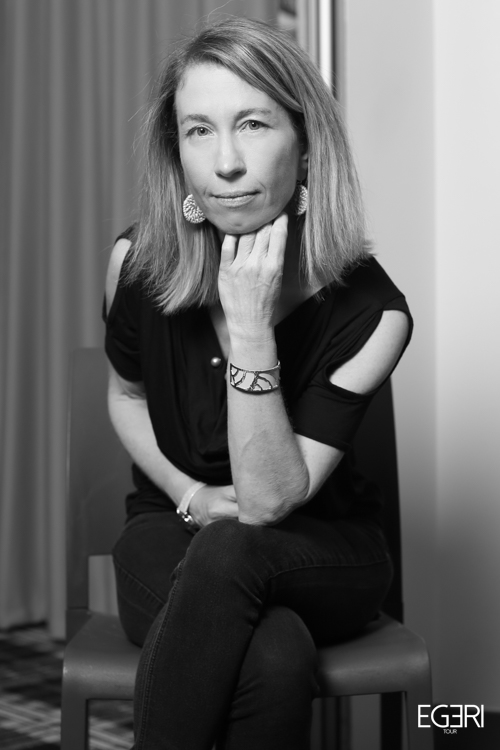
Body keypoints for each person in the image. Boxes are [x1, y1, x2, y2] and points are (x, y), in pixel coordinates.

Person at [103, 17, 412, 750]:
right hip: (172, 527)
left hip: (320, 549)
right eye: (199, 131)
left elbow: (270, 502)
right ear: (176, 153)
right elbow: (126, 396)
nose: (226, 163)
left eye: (253, 124)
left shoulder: (374, 313)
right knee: (273, 655)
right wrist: (190, 494)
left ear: (306, 145)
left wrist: (249, 325)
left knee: (232, 549)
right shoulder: (135, 263)